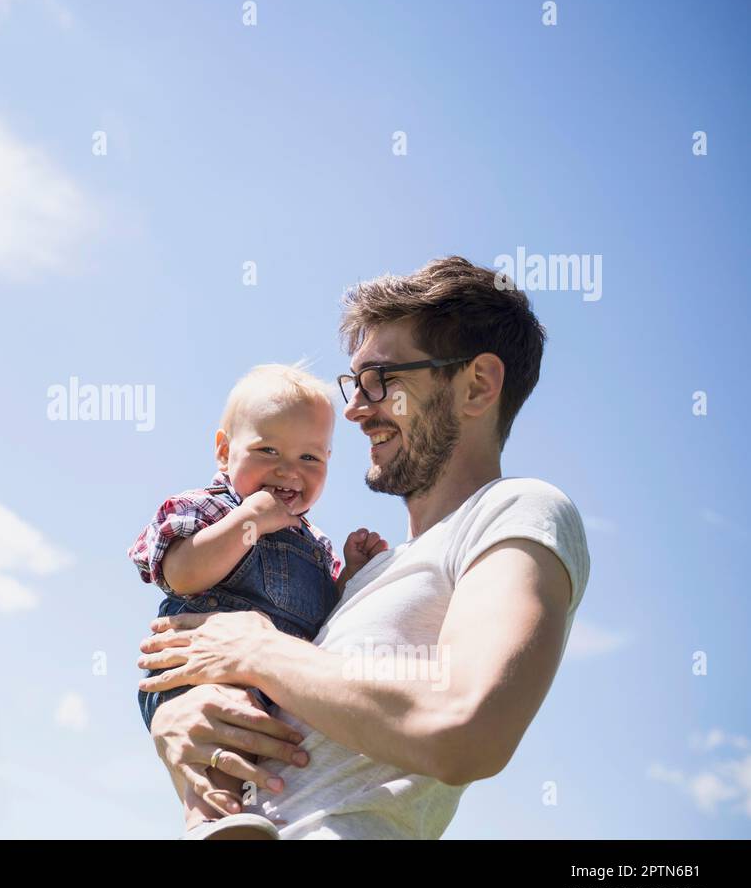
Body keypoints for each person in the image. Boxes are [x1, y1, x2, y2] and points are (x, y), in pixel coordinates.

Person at [137, 256, 590, 839]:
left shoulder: (516, 509)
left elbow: (466, 726)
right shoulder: (359, 578)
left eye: (382, 380)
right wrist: (178, 719)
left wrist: (255, 649)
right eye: (355, 383)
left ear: (476, 385)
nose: (353, 409)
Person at [127, 363, 386, 836]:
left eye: (310, 459)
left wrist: (350, 574)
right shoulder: (211, 507)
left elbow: (326, 623)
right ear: (225, 452)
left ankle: (255, 819)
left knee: (270, 748)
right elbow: (181, 574)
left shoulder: (316, 545)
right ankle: (213, 821)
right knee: (229, 718)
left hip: (279, 684)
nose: (288, 470)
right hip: (199, 672)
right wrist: (249, 522)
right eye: (268, 450)